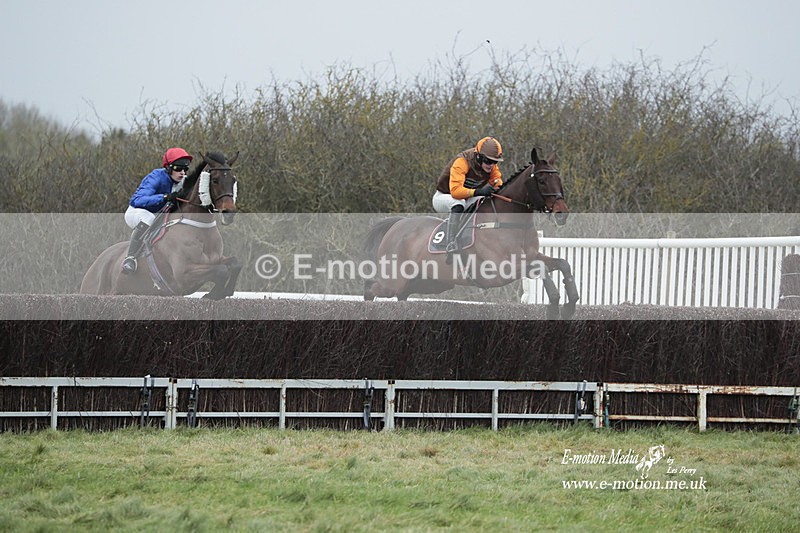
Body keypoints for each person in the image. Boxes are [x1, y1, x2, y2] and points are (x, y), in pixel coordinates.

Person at [120, 147, 192, 274]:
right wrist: (164, 197)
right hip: (137, 212)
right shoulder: (155, 177)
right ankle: (130, 259)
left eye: (185, 169)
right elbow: (137, 200)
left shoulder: (183, 181)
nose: (182, 173)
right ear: (168, 168)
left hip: (159, 215)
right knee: (149, 218)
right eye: (178, 168)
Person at [432, 136, 504, 254]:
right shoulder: (462, 162)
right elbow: (455, 192)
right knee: (459, 202)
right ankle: (451, 243)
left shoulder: (492, 167)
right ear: (478, 156)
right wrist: (479, 191)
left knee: (484, 201)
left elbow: (497, 182)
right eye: (488, 161)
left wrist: (497, 189)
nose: (491, 165)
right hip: (444, 197)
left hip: (466, 198)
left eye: (495, 162)